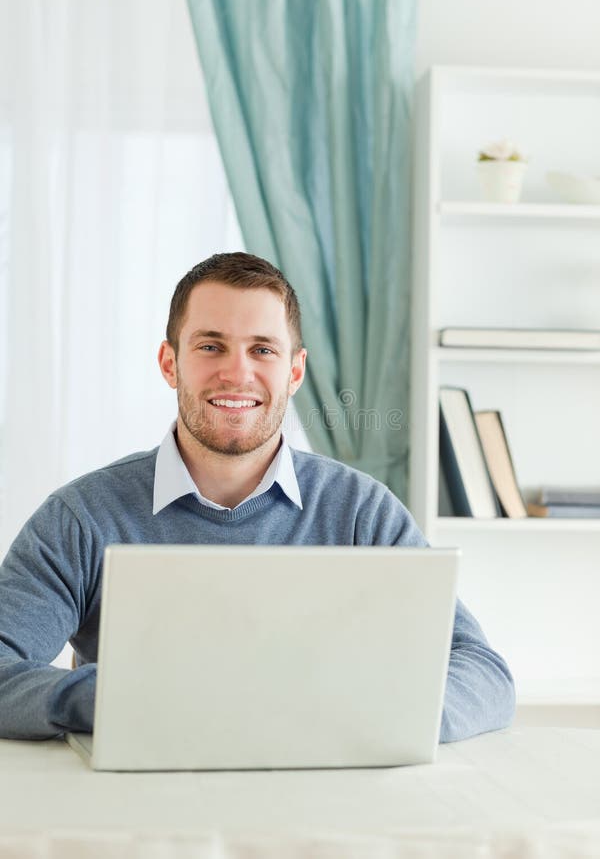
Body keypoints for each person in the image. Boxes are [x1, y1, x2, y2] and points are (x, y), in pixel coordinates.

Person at [0, 252, 515, 742]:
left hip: (324, 802)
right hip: (144, 808)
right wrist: (116, 698)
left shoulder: (363, 514)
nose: (237, 372)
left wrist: (378, 712)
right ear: (169, 362)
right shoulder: (82, 517)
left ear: (294, 371)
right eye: (210, 346)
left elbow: (482, 671)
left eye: (263, 349)